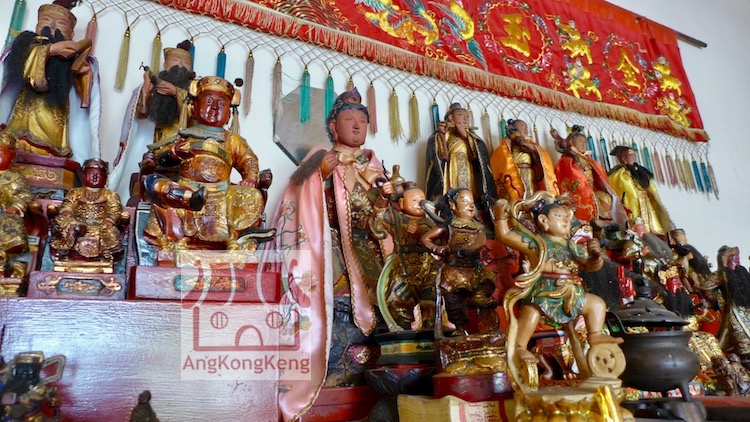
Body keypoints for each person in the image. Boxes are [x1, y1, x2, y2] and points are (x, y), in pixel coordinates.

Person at [267, 88, 393, 421]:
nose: (357, 126)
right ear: (333, 126)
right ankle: (330, 369)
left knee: (388, 296)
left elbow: (381, 216)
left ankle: (378, 366)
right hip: (334, 246)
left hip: (368, 248)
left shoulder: (374, 165)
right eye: (349, 119)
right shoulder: (320, 157)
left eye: (362, 120)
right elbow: (296, 196)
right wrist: (319, 174)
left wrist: (387, 198)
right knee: (335, 297)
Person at [494, 192, 622, 365]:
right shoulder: (536, 243)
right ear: (544, 221)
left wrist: (596, 257)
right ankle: (520, 346)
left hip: (573, 292)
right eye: (559, 216)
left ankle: (595, 335)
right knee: (531, 310)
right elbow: (505, 235)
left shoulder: (573, 247)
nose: (566, 221)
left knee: (597, 304)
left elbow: (590, 265)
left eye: (567, 218)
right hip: (545, 291)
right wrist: (500, 217)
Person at [142, 76, 267, 251]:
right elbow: (159, 159)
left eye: (221, 104)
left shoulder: (232, 140)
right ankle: (187, 199)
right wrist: (174, 152)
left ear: (229, 115)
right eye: (208, 101)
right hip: (186, 190)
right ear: (194, 107)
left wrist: (251, 178)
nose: (214, 107)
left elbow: (249, 160)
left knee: (253, 195)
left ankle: (239, 237)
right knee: (154, 182)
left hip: (222, 194)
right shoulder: (185, 136)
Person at [0, 0, 101, 162]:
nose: (52, 27)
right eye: (46, 21)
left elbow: (83, 93)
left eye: (61, 23)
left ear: (71, 34)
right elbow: (19, 70)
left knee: (52, 143)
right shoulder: (27, 46)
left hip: (55, 113)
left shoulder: (72, 58)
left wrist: (84, 72)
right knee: (16, 139)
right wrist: (50, 50)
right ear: (37, 25)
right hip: (25, 110)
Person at [109, 41, 195, 201]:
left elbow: (196, 115)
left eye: (185, 64)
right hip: (158, 150)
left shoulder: (194, 93)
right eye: (176, 62)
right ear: (165, 65)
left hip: (184, 151)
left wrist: (176, 92)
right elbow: (141, 113)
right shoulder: (156, 89)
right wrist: (146, 89)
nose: (180, 66)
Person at [420, 188, 497, 335]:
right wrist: (437, 249)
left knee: (488, 277)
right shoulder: (448, 225)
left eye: (472, 202)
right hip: (454, 269)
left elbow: (480, 241)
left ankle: (479, 297)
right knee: (453, 297)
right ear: (452, 204)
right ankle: (459, 327)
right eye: (465, 201)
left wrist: (470, 248)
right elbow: (425, 239)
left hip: (474, 268)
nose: (471, 205)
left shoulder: (478, 227)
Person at [371, 182, 438, 331]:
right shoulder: (397, 219)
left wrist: (420, 234)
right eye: (414, 200)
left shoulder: (431, 222)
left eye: (422, 200)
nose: (419, 203)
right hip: (403, 266)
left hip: (427, 265)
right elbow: (379, 218)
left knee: (431, 297)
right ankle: (403, 331)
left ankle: (430, 329)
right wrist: (384, 197)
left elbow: (440, 240)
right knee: (396, 301)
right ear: (401, 203)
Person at [424, 102, 496, 222]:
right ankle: (451, 209)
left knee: (469, 192)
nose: (465, 118)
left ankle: (472, 212)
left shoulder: (472, 137)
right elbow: (442, 156)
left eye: (467, 116)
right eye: (461, 115)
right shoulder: (445, 133)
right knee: (453, 191)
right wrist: (442, 135)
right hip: (452, 168)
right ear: (451, 118)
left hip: (468, 167)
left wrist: (464, 136)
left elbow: (476, 156)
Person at [49, 158, 128, 262]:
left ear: (105, 178)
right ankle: (65, 248)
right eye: (91, 173)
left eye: (98, 174)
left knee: (108, 232)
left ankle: (108, 251)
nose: (94, 177)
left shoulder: (110, 195)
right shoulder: (75, 192)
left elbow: (115, 210)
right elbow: (67, 205)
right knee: (66, 224)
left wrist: (109, 221)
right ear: (84, 176)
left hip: (100, 224)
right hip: (77, 222)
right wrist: (68, 214)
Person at [552, 125, 626, 226]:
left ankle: (606, 223)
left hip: (593, 191)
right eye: (580, 141)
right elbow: (573, 179)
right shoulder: (567, 161)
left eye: (585, 142)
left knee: (606, 199)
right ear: (572, 142)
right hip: (581, 193)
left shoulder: (587, 159)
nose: (583, 144)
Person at [608, 145, 673, 235]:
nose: (633, 158)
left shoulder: (643, 172)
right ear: (624, 158)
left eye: (634, 156)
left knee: (654, 225)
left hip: (647, 204)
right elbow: (617, 190)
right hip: (632, 206)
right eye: (630, 156)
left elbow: (652, 189)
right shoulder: (619, 173)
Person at [491, 119, 558, 202]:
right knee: (518, 195)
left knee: (532, 195)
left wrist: (533, 150)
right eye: (518, 130)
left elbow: (542, 160)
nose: (522, 133)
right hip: (516, 174)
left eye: (525, 130)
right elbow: (502, 160)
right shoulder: (507, 146)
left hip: (530, 174)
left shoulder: (532, 145)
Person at [0, 134, 33, 276]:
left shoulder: (15, 178)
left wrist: (16, 207)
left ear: (12, 157)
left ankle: (6, 255)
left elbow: (23, 195)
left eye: (1, 154)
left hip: (5, 213)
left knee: (10, 223)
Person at [717, 246, 750, 368]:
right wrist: (719, 300)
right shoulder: (722, 274)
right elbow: (706, 287)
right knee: (740, 335)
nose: (737, 261)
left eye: (738, 258)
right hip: (733, 309)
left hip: (747, 307)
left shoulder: (744, 274)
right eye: (733, 259)